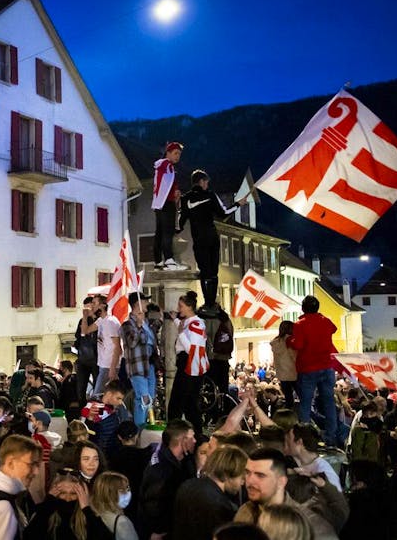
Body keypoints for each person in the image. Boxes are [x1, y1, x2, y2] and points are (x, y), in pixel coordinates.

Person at [235, 448, 337, 540]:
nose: (249, 481)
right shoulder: (245, 512)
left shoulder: (311, 526)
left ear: (281, 482)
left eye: (260, 475)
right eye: (247, 473)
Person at [177, 169, 244, 308]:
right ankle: (211, 303)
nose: (207, 184)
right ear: (201, 181)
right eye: (206, 182)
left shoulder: (185, 199)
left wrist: (173, 230)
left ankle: (207, 303)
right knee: (213, 273)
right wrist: (238, 204)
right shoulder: (210, 195)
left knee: (204, 272)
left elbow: (180, 222)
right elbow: (223, 214)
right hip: (212, 238)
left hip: (198, 240)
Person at [287, 296, 340, 446]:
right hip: (327, 366)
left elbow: (298, 345)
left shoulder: (300, 325)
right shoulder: (325, 321)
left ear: (303, 308)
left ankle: (305, 437)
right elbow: (334, 329)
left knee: (305, 403)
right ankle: (331, 436)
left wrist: (289, 340)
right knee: (329, 401)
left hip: (308, 368)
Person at [171, 445, 248, 540]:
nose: (242, 483)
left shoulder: (187, 485)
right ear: (228, 473)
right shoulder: (221, 506)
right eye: (241, 478)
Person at [0, 435, 41, 540]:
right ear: (10, 463)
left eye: (38, 465)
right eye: (31, 464)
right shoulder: (1, 507)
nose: (36, 472)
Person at [140, 419, 196, 540]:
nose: (195, 441)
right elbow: (152, 504)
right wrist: (154, 532)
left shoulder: (183, 460)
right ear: (183, 440)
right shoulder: (161, 470)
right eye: (192, 437)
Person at [169, 291, 209, 437]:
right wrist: (175, 321)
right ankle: (189, 433)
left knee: (182, 403)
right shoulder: (189, 322)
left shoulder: (197, 324)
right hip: (185, 363)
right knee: (185, 403)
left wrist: (180, 333)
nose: (179, 309)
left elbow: (191, 348)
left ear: (190, 307)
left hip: (190, 364)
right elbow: (184, 327)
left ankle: (183, 434)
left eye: (181, 306)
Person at [25, 471, 110, 540]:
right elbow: (29, 536)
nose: (68, 498)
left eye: (73, 494)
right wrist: (46, 507)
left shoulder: (88, 517)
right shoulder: (44, 511)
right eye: (62, 493)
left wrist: (87, 509)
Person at [120, 291, 157, 427]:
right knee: (143, 399)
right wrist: (139, 326)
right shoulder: (127, 325)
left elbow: (152, 341)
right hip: (137, 368)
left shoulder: (147, 322)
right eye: (144, 301)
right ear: (138, 304)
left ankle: (146, 424)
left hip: (149, 366)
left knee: (150, 399)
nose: (147, 303)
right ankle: (139, 429)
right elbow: (131, 342)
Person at [152, 141, 187, 270]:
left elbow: (167, 184)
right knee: (168, 231)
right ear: (168, 153)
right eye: (175, 153)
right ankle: (169, 259)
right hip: (166, 203)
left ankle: (158, 261)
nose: (178, 156)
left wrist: (175, 192)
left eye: (179, 154)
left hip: (159, 203)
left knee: (160, 232)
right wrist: (174, 194)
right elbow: (166, 184)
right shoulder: (166, 165)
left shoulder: (165, 167)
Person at [81, 295, 121, 397]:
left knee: (96, 396)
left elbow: (118, 347)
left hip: (109, 366)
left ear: (102, 305)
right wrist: (85, 317)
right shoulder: (101, 321)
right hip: (103, 365)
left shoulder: (111, 322)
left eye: (94, 303)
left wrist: (112, 368)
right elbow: (85, 331)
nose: (92, 306)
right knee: (109, 396)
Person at [85, 379, 132, 460]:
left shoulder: (120, 408)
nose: (120, 402)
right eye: (118, 398)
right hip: (99, 451)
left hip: (115, 451)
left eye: (121, 399)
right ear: (109, 394)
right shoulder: (92, 406)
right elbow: (86, 430)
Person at [287, 423, 342, 491]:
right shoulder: (294, 463)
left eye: (289, 438)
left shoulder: (326, 474)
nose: (286, 442)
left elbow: (336, 500)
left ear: (299, 442)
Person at [75, 297, 100, 400]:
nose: (87, 309)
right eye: (85, 307)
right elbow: (79, 335)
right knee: (80, 388)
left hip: (96, 359)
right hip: (83, 359)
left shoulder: (99, 320)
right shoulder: (83, 320)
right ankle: (82, 409)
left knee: (97, 387)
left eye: (89, 306)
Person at [272, 321, 298, 409]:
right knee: (303, 397)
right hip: (294, 372)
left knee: (288, 398)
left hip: (282, 374)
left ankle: (289, 416)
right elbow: (294, 357)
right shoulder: (290, 341)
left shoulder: (275, 343)